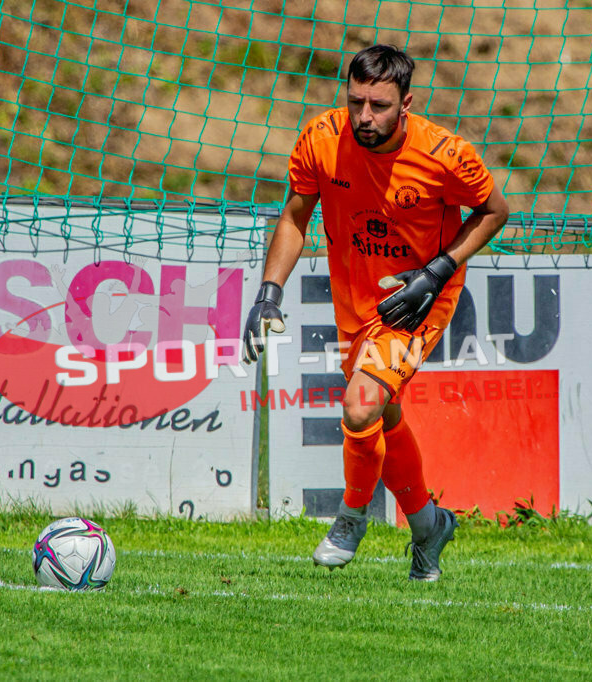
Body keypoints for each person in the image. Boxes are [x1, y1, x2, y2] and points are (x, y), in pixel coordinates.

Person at [242, 45, 511, 581]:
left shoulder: (445, 154)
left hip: (416, 302)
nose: (365, 117)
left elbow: (495, 210)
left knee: (361, 406)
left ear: (405, 104)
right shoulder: (322, 138)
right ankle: (428, 525)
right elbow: (295, 217)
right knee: (382, 416)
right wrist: (268, 293)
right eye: (357, 101)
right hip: (355, 297)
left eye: (380, 105)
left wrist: (437, 271)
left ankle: (350, 519)